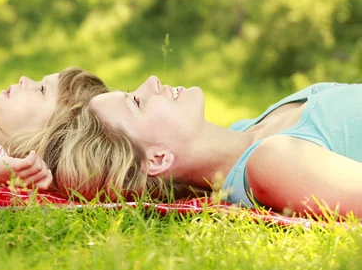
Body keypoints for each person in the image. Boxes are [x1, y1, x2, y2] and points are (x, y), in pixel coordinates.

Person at [39, 76, 362, 217]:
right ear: (157, 158)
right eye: (137, 101)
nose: (152, 82)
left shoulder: (246, 132)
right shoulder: (270, 162)